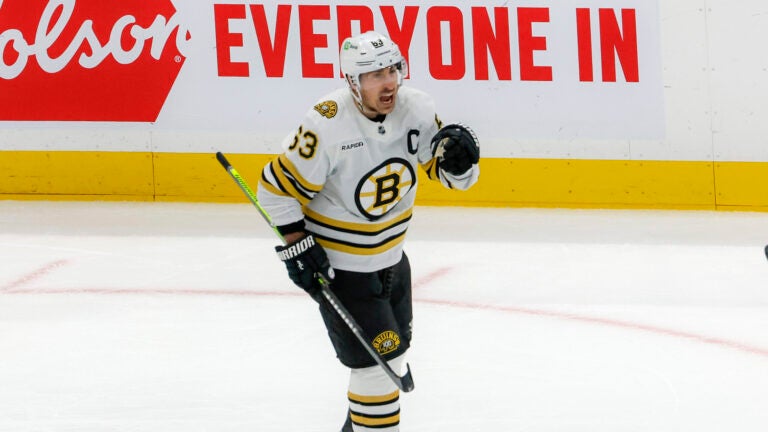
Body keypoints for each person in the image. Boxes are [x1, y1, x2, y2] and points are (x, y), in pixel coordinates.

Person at [256, 30, 480, 431]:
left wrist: (462, 164)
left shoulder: (418, 109)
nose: (388, 81)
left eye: (392, 69)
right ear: (352, 83)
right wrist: (297, 246)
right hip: (343, 271)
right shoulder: (324, 124)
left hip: (393, 262)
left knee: (390, 357)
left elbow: (450, 177)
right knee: (377, 370)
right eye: (374, 74)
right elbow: (273, 191)